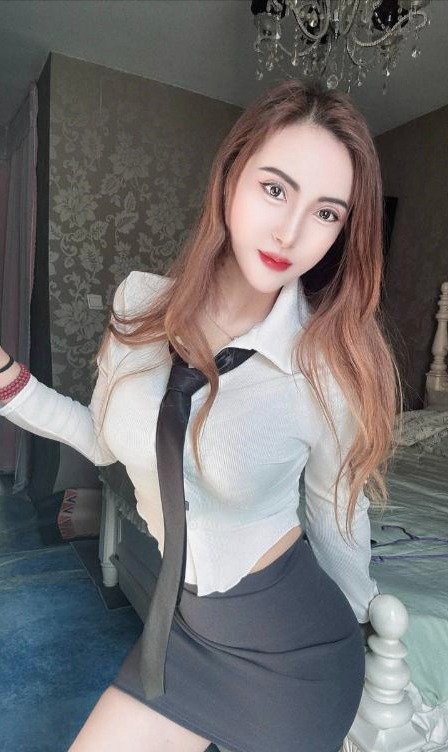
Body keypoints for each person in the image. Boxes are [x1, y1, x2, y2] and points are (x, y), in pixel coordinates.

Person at [0, 79, 402, 752]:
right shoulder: (136, 306)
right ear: (231, 177)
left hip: (293, 657)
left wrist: (367, 621)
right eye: (275, 189)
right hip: (181, 636)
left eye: (327, 213)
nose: (291, 232)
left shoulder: (327, 370)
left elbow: (336, 516)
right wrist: (9, 381)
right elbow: (103, 439)